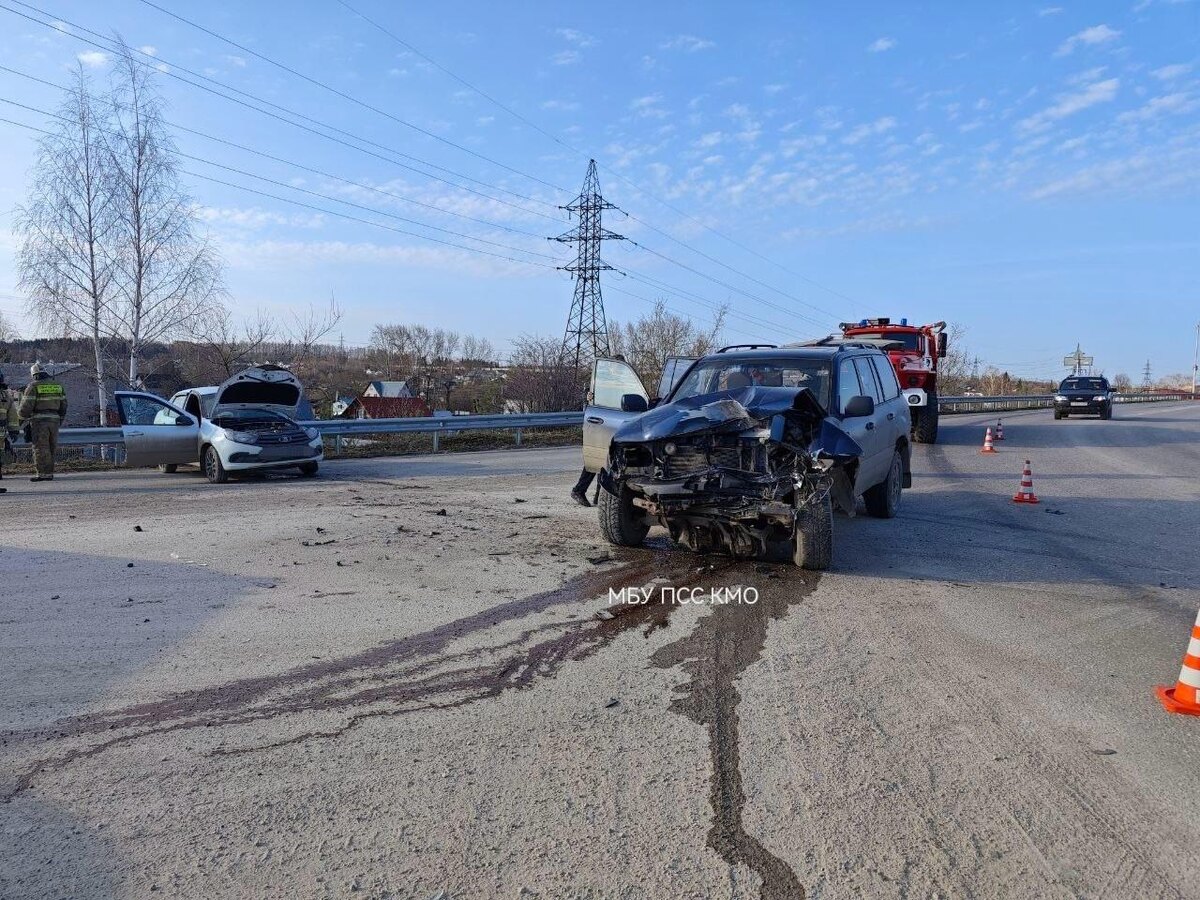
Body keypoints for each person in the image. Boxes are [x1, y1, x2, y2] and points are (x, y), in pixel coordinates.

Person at [18, 362, 68, 482]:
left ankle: (43, 474)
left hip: (39, 421)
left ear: (34, 375)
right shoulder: (58, 386)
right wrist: (60, 419)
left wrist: (18, 422)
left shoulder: (33, 386)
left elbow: (25, 407)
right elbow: (64, 405)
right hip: (55, 420)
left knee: (40, 447)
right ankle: (49, 473)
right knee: (51, 447)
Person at [0, 374, 19, 493]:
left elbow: (12, 416)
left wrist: (13, 430)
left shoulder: (6, 396)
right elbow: (12, 415)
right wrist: (14, 431)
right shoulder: (5, 396)